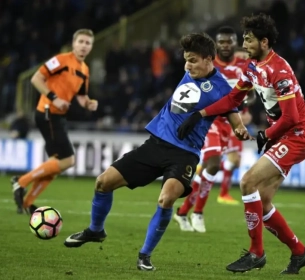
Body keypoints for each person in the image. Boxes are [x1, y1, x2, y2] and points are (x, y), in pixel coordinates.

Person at [63, 33, 249, 271]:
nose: (187, 65)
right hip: (155, 144)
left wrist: (242, 131)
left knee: (166, 198)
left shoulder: (222, 88)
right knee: (102, 182)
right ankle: (95, 230)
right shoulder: (191, 72)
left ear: (208, 59)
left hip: (185, 154)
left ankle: (145, 255)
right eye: (186, 60)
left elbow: (235, 117)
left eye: (192, 60)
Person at [177, 14, 305, 274]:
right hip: (284, 136)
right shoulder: (253, 67)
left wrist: (266, 134)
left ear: (264, 42)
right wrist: (200, 114)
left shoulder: (279, 69)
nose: (244, 43)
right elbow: (232, 99)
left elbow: (292, 117)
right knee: (261, 201)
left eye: (249, 39)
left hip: (297, 136)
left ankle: (256, 253)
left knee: (247, 181)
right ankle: (299, 252)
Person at [173, 26, 253, 233]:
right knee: (215, 164)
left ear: (234, 43)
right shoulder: (207, 63)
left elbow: (248, 94)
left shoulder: (243, 66)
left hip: (227, 123)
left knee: (208, 171)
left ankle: (182, 211)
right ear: (216, 45)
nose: (225, 45)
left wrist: (244, 110)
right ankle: (198, 212)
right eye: (222, 42)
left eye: (229, 42)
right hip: (208, 121)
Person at [11, 29, 98, 214]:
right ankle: (21, 182)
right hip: (47, 112)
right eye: (81, 41)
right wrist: (54, 97)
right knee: (68, 160)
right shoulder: (60, 60)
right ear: (74, 43)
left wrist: (88, 103)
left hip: (58, 116)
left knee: (56, 164)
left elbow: (82, 97)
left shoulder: (84, 70)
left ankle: (26, 203)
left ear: (91, 47)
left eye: (87, 43)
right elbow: (36, 79)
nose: (84, 46)